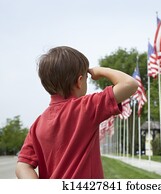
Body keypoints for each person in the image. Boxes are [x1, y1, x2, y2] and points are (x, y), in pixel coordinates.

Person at [15, 46, 138, 179]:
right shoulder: (86, 107)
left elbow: (22, 165)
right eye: (86, 77)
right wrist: (102, 70)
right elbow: (129, 84)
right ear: (79, 82)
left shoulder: (38, 124)